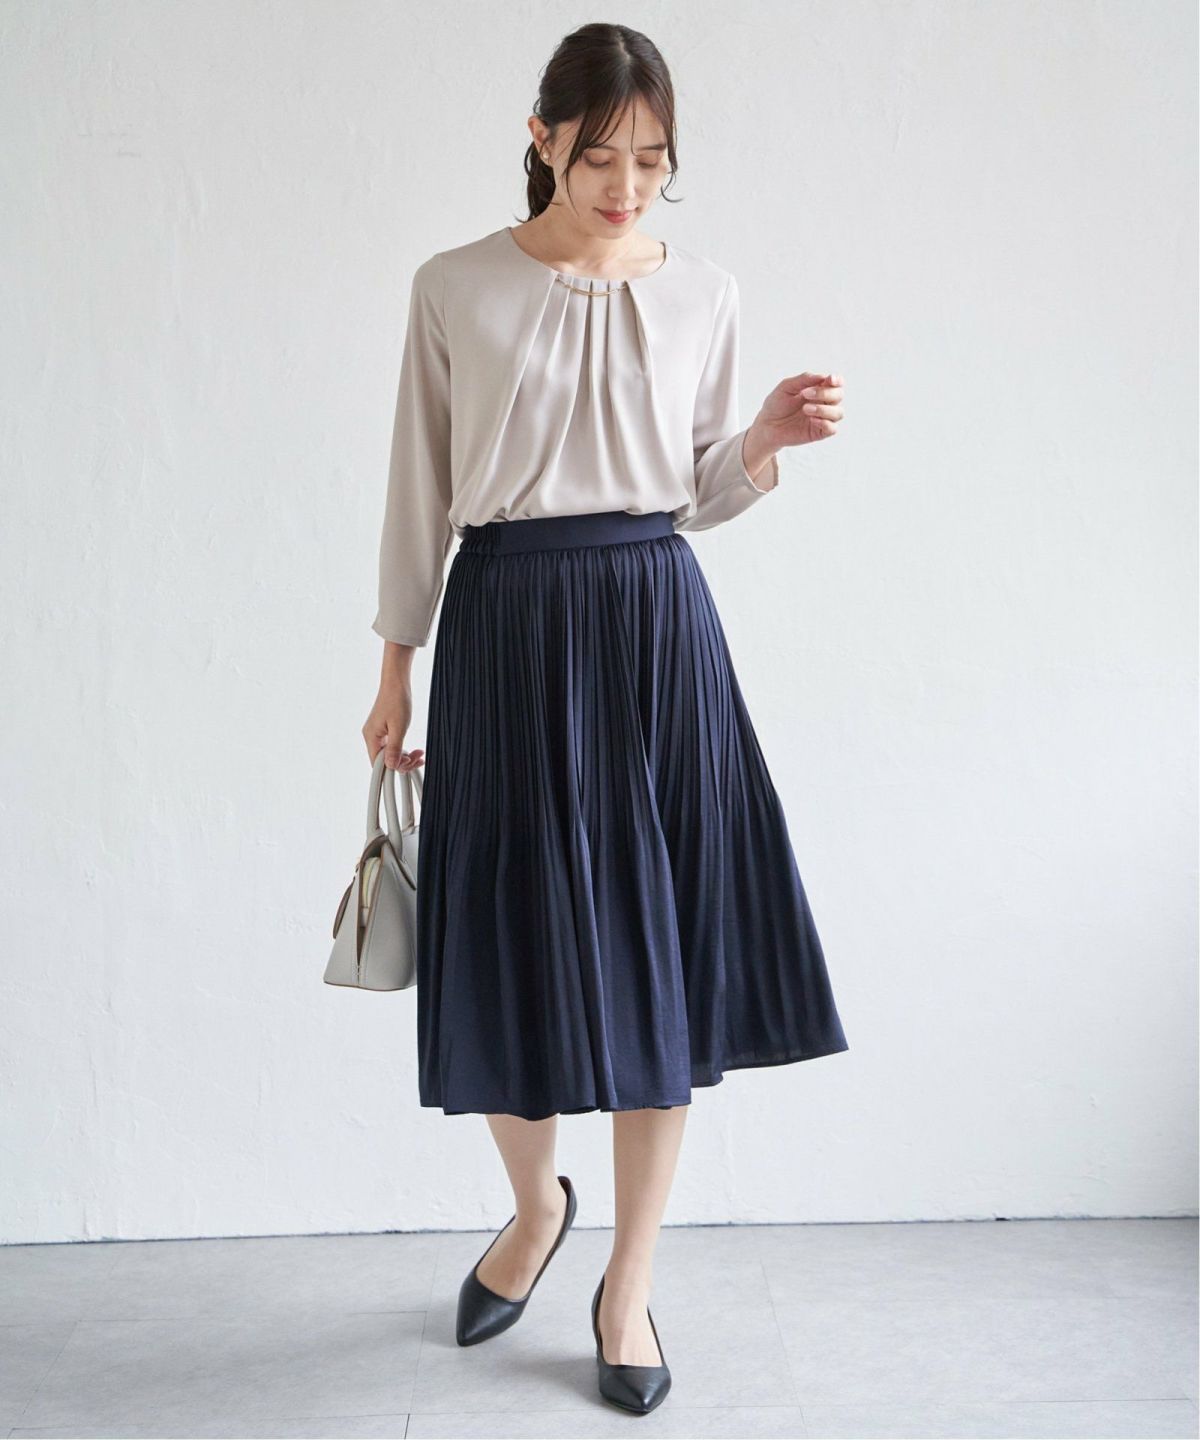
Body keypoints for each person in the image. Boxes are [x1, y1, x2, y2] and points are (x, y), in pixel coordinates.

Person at [361, 21, 849, 1416]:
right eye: (600, 158)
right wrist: (395, 667)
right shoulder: (455, 286)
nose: (628, 186)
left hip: (652, 624)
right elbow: (419, 483)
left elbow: (693, 487)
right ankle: (536, 1209)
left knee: (657, 950)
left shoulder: (703, 292)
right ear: (542, 141)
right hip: (505, 623)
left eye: (652, 160)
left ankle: (627, 1279)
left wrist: (761, 443)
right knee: (502, 934)